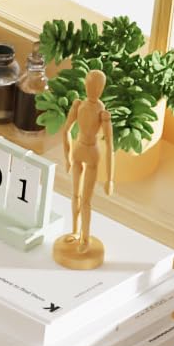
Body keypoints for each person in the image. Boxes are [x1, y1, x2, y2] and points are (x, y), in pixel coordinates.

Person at [56, 65, 113, 267]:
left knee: (86, 201)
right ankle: (74, 230)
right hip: (79, 150)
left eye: (97, 87)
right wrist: (67, 156)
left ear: (101, 89)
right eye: (90, 85)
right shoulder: (79, 105)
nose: (93, 90)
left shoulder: (102, 112)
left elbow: (110, 145)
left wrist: (110, 178)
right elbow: (66, 131)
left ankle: (85, 237)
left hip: (91, 154)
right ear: (86, 85)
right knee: (75, 196)